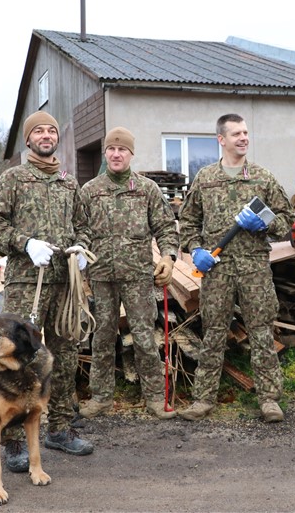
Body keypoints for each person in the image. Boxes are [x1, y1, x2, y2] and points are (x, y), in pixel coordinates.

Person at [0, 110, 94, 473]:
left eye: (51, 131)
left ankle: (59, 427)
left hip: (63, 282)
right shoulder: (13, 178)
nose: (46, 136)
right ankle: (14, 439)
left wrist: (81, 247)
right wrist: (26, 243)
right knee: (18, 357)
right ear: (29, 139)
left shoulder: (68, 182)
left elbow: (83, 224)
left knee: (64, 353)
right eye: (39, 131)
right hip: (25, 283)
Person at [177, 113, 295, 423]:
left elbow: (286, 221)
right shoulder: (205, 178)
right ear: (221, 139)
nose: (243, 138)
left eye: (245, 133)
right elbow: (187, 223)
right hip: (217, 270)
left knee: (261, 332)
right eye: (236, 134)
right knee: (213, 333)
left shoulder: (262, 178)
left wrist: (263, 222)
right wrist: (196, 249)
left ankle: (269, 400)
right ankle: (203, 399)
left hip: (254, 268)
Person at [75, 127, 180, 420]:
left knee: (145, 338)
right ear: (105, 153)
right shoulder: (90, 191)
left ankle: (155, 399)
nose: (116, 154)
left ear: (131, 154)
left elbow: (165, 227)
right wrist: (80, 254)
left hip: (138, 276)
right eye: (111, 149)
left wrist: (168, 257)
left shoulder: (147, 189)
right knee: (102, 338)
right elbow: (80, 229)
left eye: (122, 149)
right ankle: (100, 398)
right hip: (101, 277)